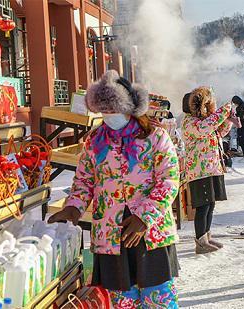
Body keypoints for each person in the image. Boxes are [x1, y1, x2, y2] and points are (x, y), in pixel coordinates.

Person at [48, 70, 180, 307]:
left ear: (130, 107)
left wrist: (144, 216)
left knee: (158, 299)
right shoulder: (95, 140)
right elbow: (84, 181)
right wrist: (73, 208)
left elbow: (169, 180)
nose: (109, 116)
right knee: (121, 301)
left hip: (150, 234)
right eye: (104, 111)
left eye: (114, 110)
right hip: (110, 234)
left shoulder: (155, 137)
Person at [182, 86, 233, 254]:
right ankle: (200, 241)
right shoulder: (189, 122)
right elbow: (205, 129)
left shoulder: (203, 121)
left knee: (210, 204)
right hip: (199, 171)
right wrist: (224, 110)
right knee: (203, 206)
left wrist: (228, 120)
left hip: (212, 168)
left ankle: (206, 237)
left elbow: (218, 133)